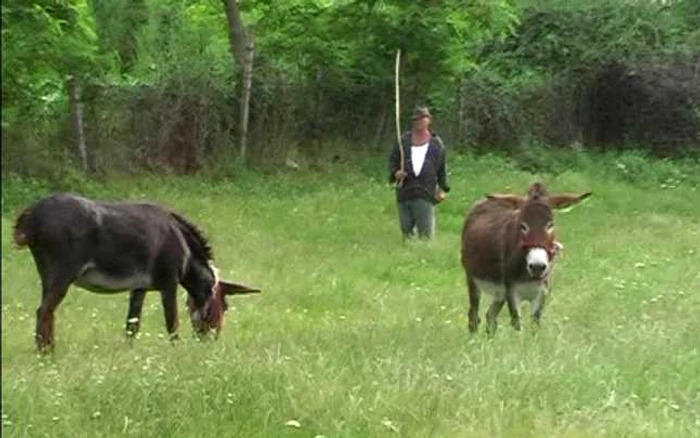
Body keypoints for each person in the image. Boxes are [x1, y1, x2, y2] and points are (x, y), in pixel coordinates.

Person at [388, 106, 450, 240]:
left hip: (425, 192)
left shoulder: (436, 144)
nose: (419, 122)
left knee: (426, 233)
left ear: (429, 120)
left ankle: (425, 254)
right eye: (416, 119)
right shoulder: (403, 141)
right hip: (405, 191)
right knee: (406, 231)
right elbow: (393, 162)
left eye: (423, 119)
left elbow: (442, 168)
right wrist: (396, 173)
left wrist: (442, 188)